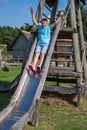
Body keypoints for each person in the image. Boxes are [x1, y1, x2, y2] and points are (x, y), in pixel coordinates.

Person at [28, 7, 64, 73]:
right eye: (42, 23)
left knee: (42, 55)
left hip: (45, 44)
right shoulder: (39, 27)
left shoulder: (49, 27)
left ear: (47, 23)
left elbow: (56, 23)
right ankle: (33, 65)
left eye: (44, 23)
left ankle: (39, 66)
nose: (43, 24)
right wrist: (32, 13)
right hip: (39, 43)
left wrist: (60, 16)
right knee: (36, 55)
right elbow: (34, 21)